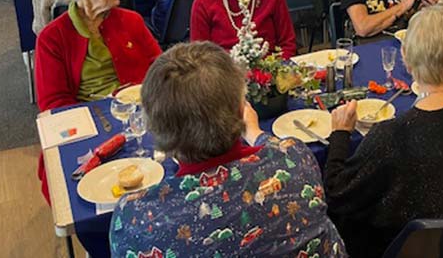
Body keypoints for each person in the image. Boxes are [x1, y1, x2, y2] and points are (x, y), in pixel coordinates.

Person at [109, 41, 347, 258]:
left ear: (155, 128)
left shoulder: (132, 217)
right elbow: (279, 147)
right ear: (240, 109)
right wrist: (254, 132)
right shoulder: (296, 157)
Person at [325, 6, 443, 257]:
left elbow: (337, 193)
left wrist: (340, 134)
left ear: (405, 58)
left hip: (392, 248)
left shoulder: (390, 136)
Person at [35, 0, 161, 110]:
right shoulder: (52, 38)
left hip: (142, 110)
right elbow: (53, 103)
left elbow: (160, 68)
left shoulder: (132, 20)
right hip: (90, 118)